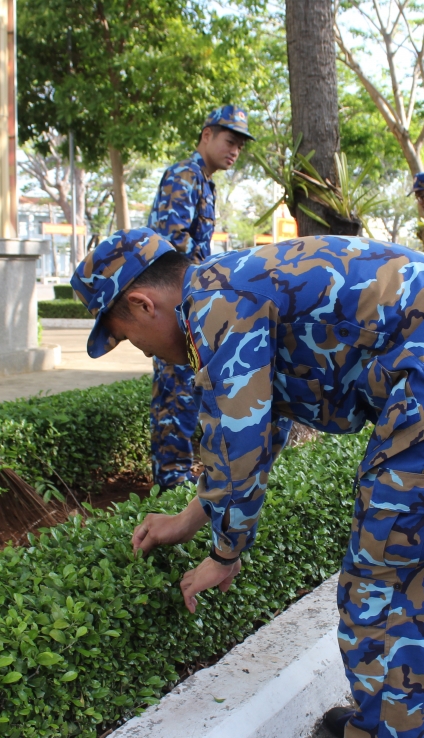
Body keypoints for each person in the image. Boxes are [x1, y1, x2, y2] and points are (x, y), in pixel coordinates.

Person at [70, 228, 424, 738]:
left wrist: (225, 553)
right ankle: (401, 735)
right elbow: (262, 423)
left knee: (379, 595)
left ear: (144, 304)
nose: (146, 354)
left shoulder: (216, 306)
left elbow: (237, 438)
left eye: (134, 340)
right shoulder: (237, 282)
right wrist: (192, 518)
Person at [145, 104, 254, 490]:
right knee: (177, 391)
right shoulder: (184, 176)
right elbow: (169, 248)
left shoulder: (204, 181)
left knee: (188, 388)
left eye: (240, 145)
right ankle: (170, 480)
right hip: (176, 306)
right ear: (206, 134)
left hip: (191, 304)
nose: (235, 150)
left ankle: (173, 474)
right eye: (229, 140)